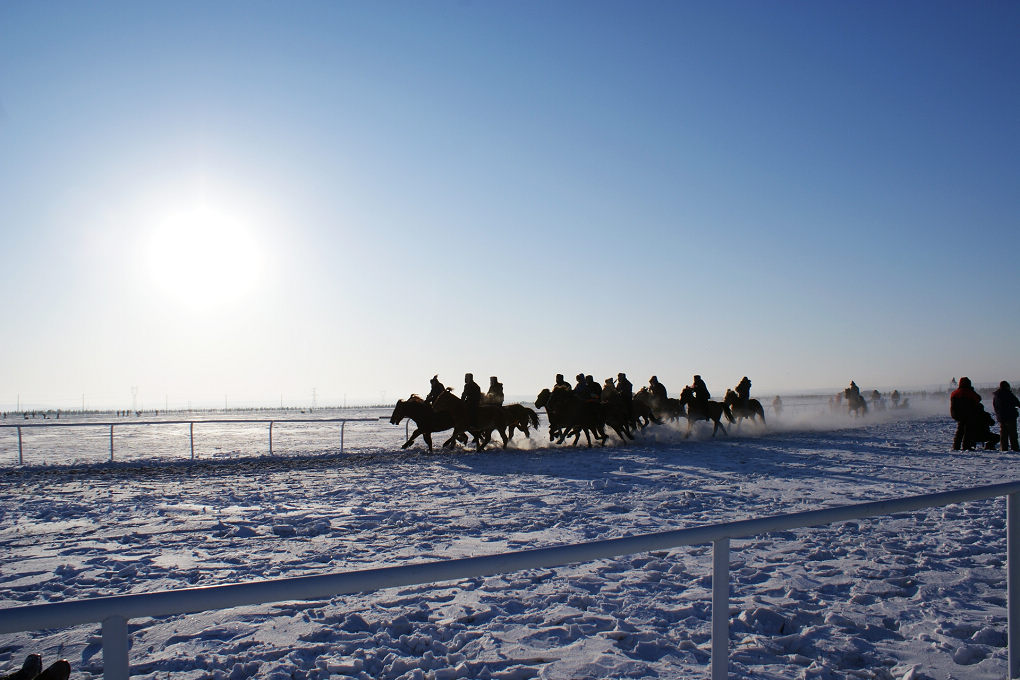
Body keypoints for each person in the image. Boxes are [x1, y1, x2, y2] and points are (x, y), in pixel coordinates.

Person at [950, 376, 982, 450]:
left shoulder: (954, 393)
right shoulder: (969, 392)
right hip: (968, 414)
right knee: (968, 431)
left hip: (957, 414)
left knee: (960, 430)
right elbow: (978, 398)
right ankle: (966, 446)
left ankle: (956, 446)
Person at [993, 380, 1020, 452]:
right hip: (1010, 416)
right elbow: (1017, 402)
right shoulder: (1008, 394)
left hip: (1001, 417)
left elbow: (995, 406)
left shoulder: (996, 395)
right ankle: (1015, 448)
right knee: (1013, 433)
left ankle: (1003, 448)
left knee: (1003, 434)